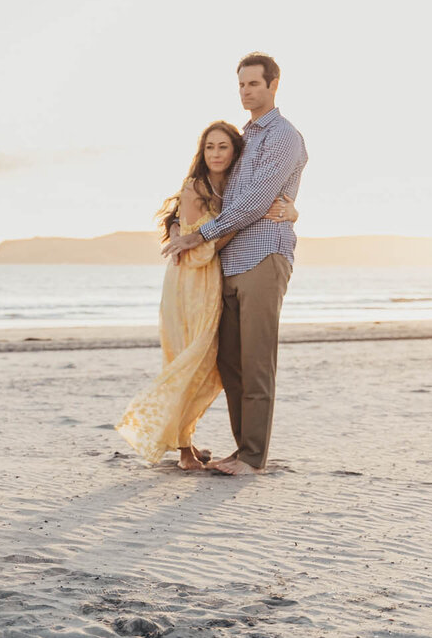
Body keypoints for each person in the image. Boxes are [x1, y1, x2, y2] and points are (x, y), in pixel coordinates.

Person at [117, 122, 296, 469]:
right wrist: (235, 227)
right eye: (209, 147)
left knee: (205, 364)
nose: (215, 154)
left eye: (223, 147)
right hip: (190, 284)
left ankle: (189, 442)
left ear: (235, 153)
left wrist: (289, 212)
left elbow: (218, 228)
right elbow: (197, 252)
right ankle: (183, 450)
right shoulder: (195, 187)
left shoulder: (231, 187)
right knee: (189, 359)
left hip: (212, 283)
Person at [163, 53, 308, 475]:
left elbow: (257, 201)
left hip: (264, 255)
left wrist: (199, 235)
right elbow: (219, 195)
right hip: (228, 262)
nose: (246, 92)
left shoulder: (283, 136)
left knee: (257, 360)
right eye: (242, 85)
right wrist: (178, 224)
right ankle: (241, 446)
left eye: (254, 84)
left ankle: (252, 456)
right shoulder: (244, 139)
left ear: (273, 85)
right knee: (229, 360)